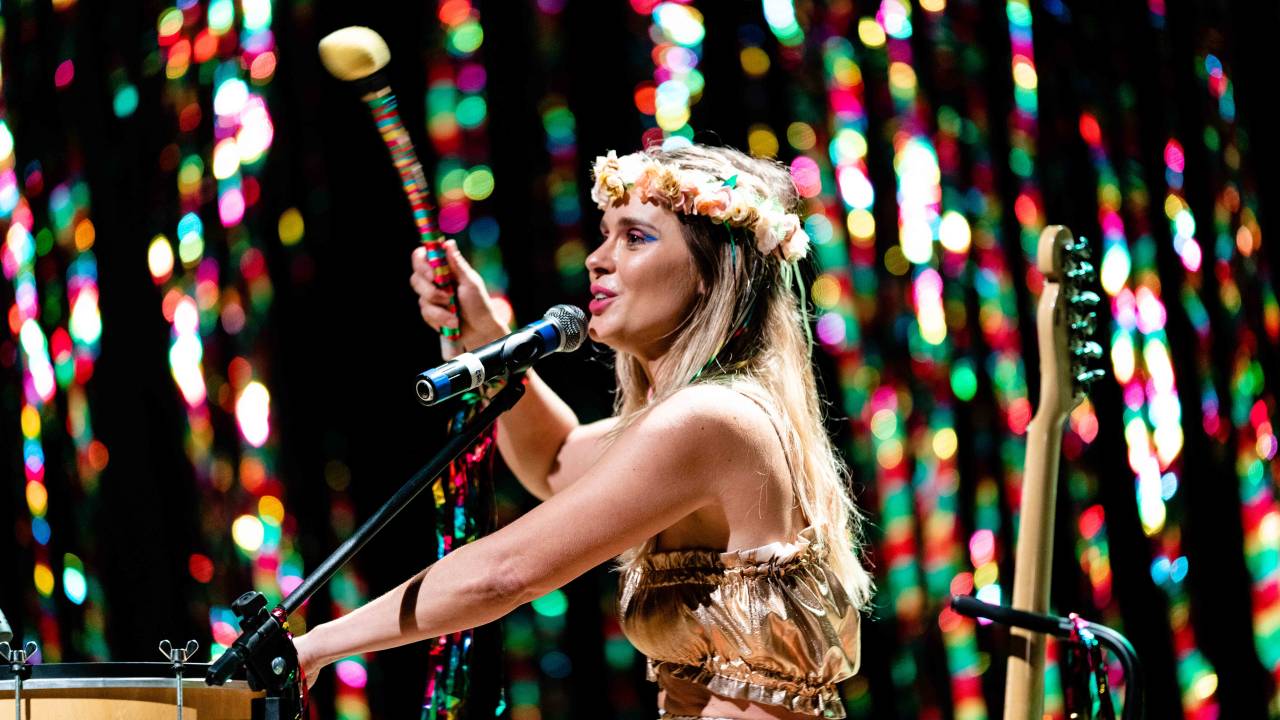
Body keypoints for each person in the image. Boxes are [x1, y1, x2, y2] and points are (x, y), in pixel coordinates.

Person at [293, 144, 874, 719]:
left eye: (636, 237)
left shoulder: (710, 419)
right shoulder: (702, 418)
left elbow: (505, 572)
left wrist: (312, 646)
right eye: (604, 233)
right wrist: (488, 333)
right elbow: (553, 460)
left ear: (712, 272)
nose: (597, 259)